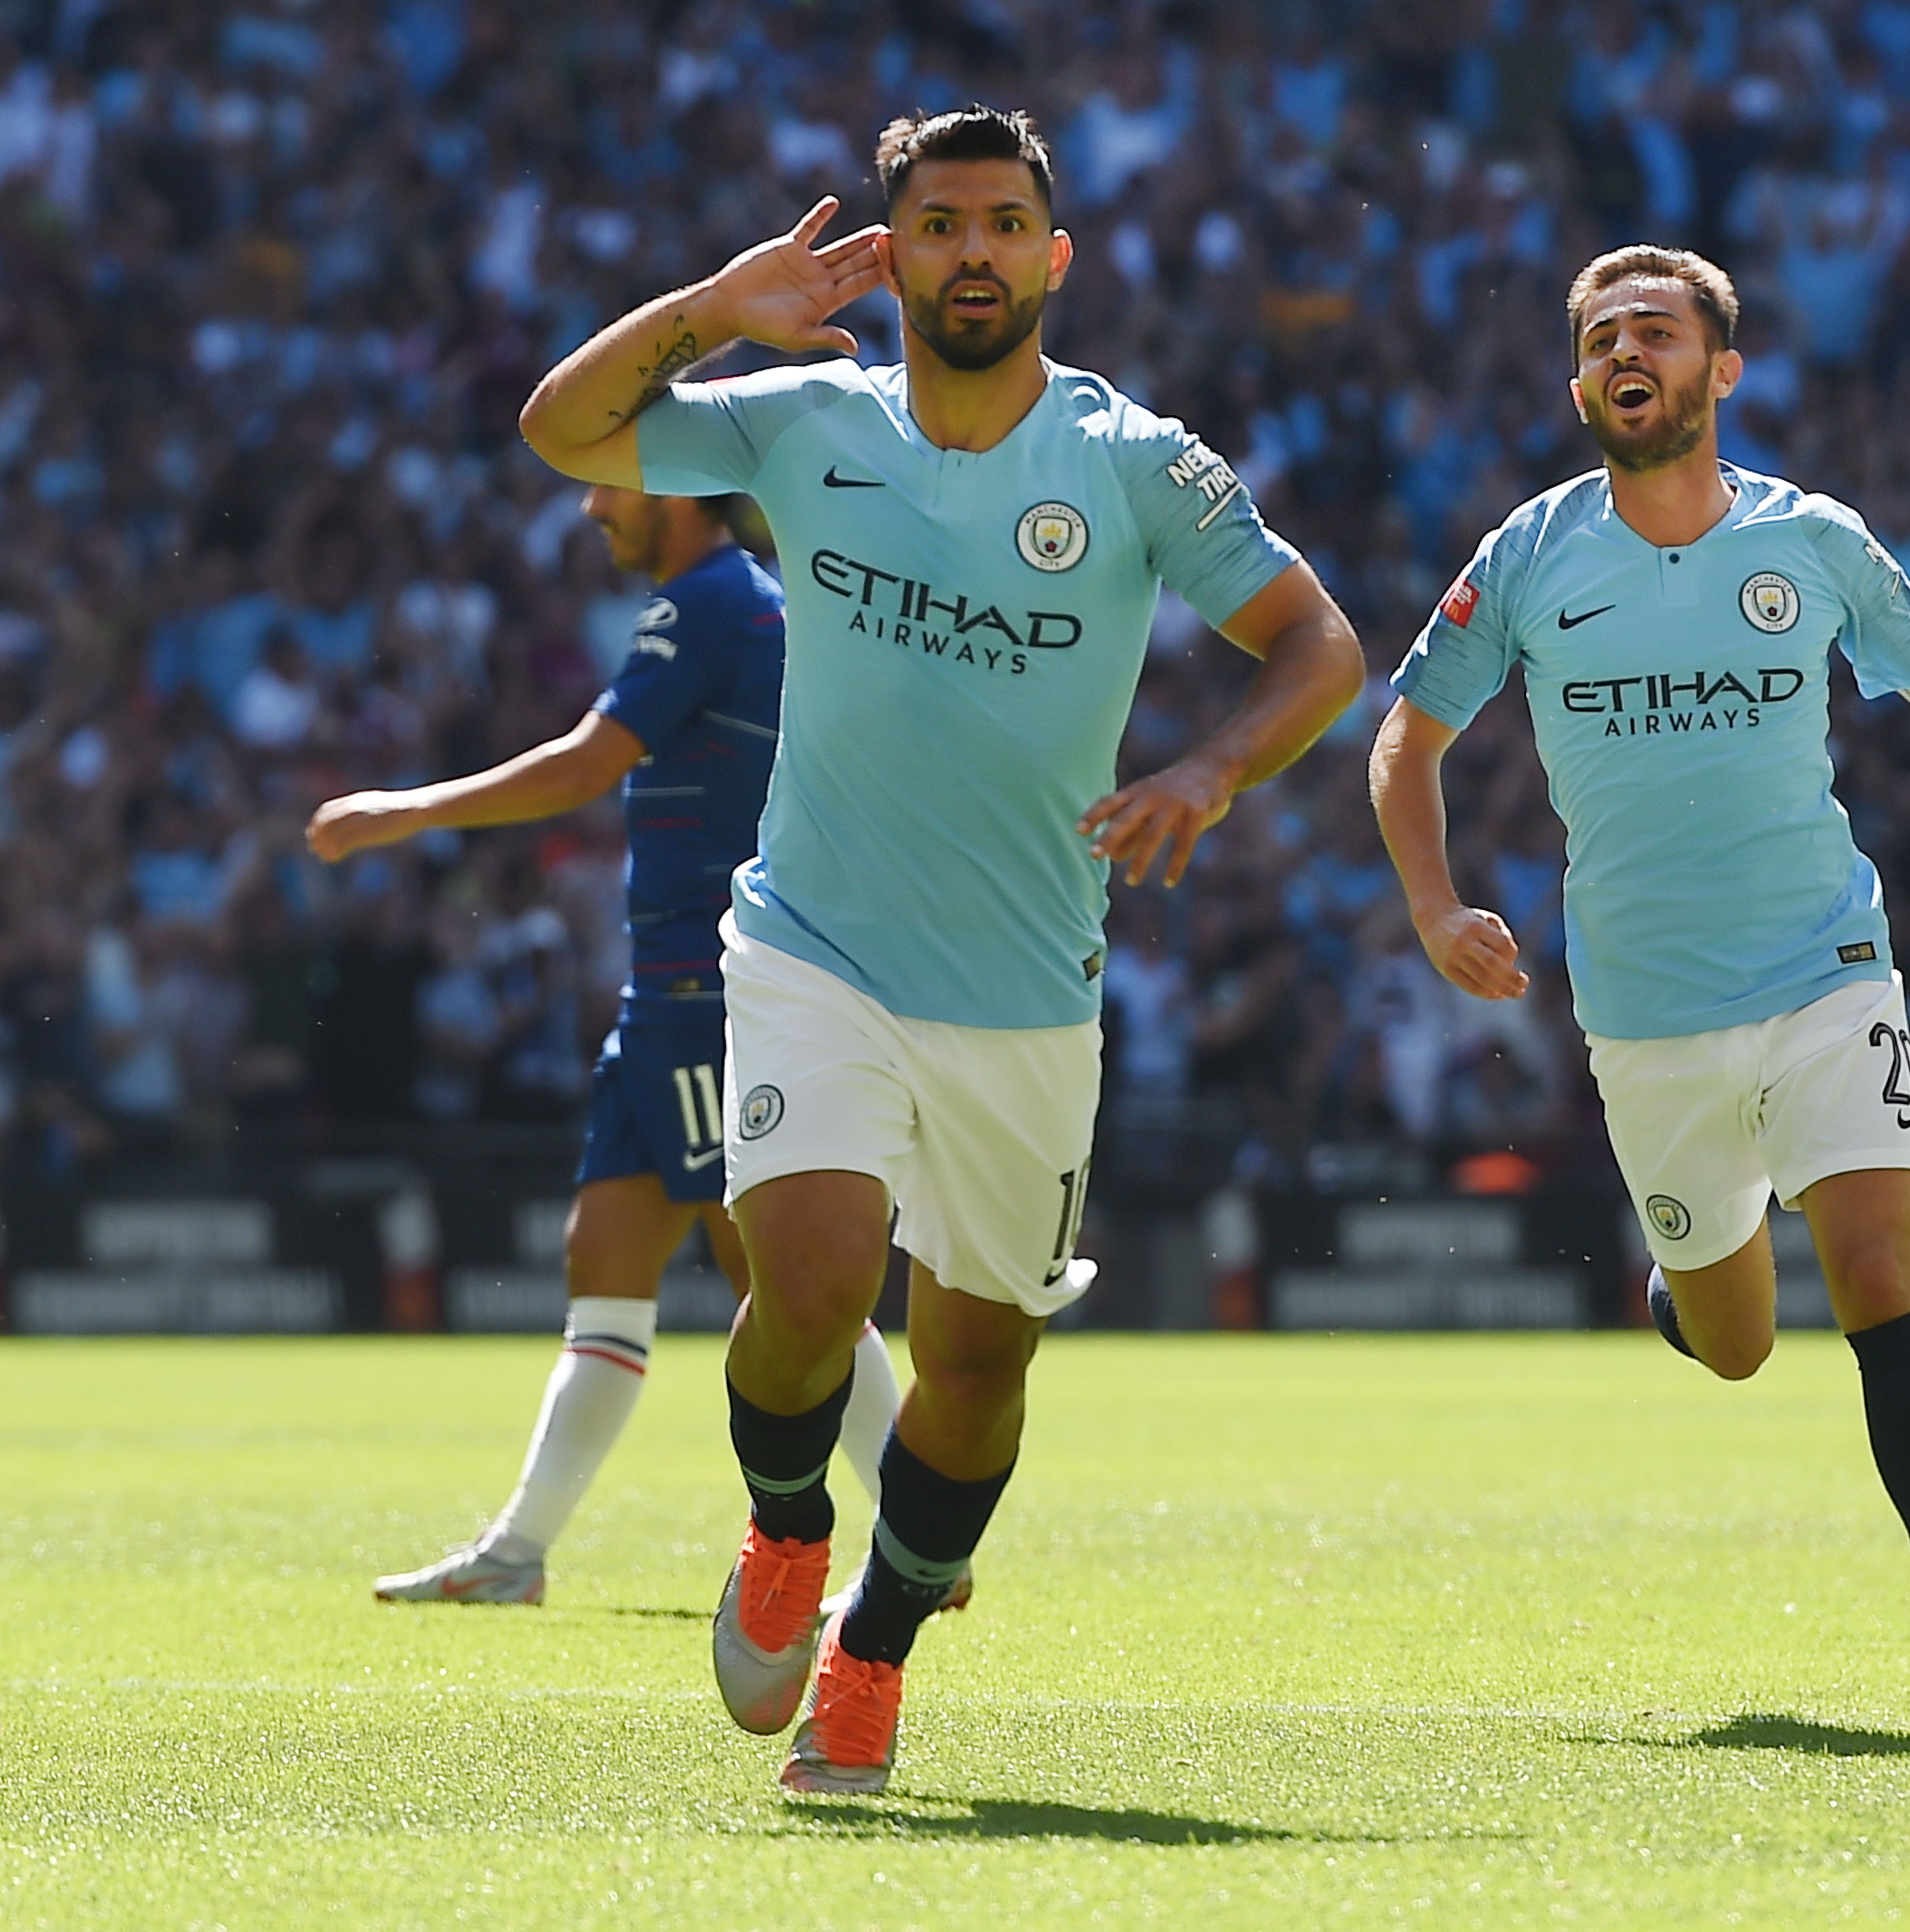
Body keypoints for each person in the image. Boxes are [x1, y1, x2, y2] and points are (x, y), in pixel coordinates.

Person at [519, 107, 1364, 1793]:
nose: (970, 249)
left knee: (979, 1359)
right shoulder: (801, 421)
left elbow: (1319, 643)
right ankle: (780, 1531)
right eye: (939, 222)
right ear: (891, 254)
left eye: (1000, 223)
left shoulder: (1135, 462)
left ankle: (877, 1645)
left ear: (1053, 258)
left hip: (1028, 991)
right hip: (812, 943)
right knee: (812, 1289)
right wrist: (708, 306)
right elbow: (563, 432)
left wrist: (1208, 765)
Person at [1370, 245, 1910, 1733]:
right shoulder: (1524, 555)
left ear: (1722, 370)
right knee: (1737, 1341)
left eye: (1654, 330)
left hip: (1826, 962)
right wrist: (1435, 904)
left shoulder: (1814, 541)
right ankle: (1687, 1293)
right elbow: (1406, 737)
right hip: (1645, 1009)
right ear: (1577, 383)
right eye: (1597, 339)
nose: (1622, 353)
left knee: (1878, 1273)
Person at [309, 484, 907, 1606]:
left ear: (679, 490)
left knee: (775, 1280)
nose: (592, 507)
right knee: (606, 1256)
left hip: (705, 987)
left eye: (613, 480)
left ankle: (919, 1541)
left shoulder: (709, 602)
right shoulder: (729, 599)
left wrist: (400, 813)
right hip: (662, 995)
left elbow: (589, 763)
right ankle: (518, 1553)